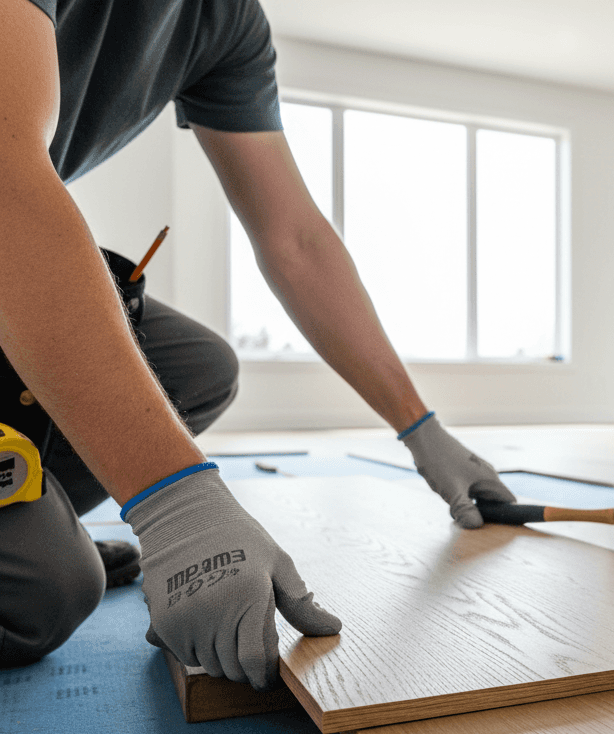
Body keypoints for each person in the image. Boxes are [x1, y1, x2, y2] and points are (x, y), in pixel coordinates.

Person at [0, 0, 516, 686]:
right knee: (47, 596)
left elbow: (295, 241)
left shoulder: (222, 18)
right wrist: (174, 506)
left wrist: (420, 429)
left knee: (198, 369)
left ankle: (26, 519)